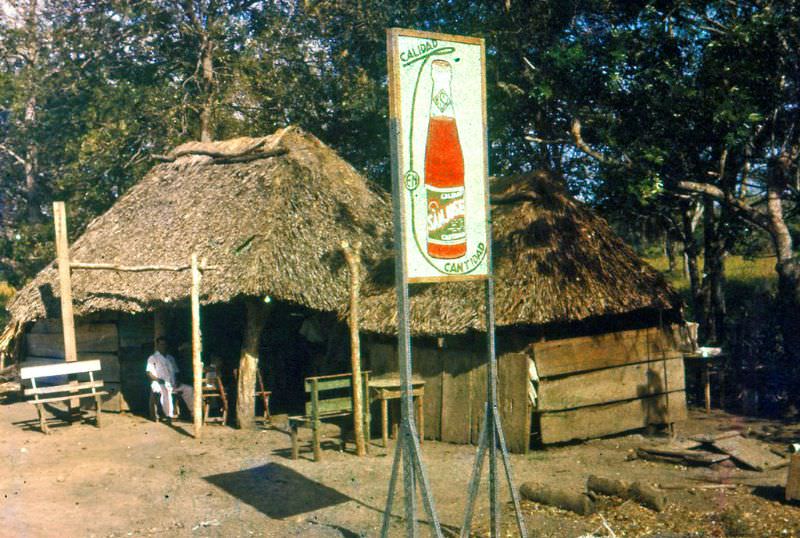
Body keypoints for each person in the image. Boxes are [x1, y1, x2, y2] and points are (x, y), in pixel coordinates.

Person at [146, 336, 194, 420]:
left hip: (173, 383)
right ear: (157, 345)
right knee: (166, 391)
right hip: (160, 383)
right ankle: (169, 415)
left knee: (189, 389)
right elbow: (149, 372)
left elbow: (176, 371)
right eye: (161, 344)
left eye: (164, 344)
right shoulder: (153, 358)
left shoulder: (170, 358)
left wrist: (178, 380)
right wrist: (157, 380)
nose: (163, 346)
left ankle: (193, 412)